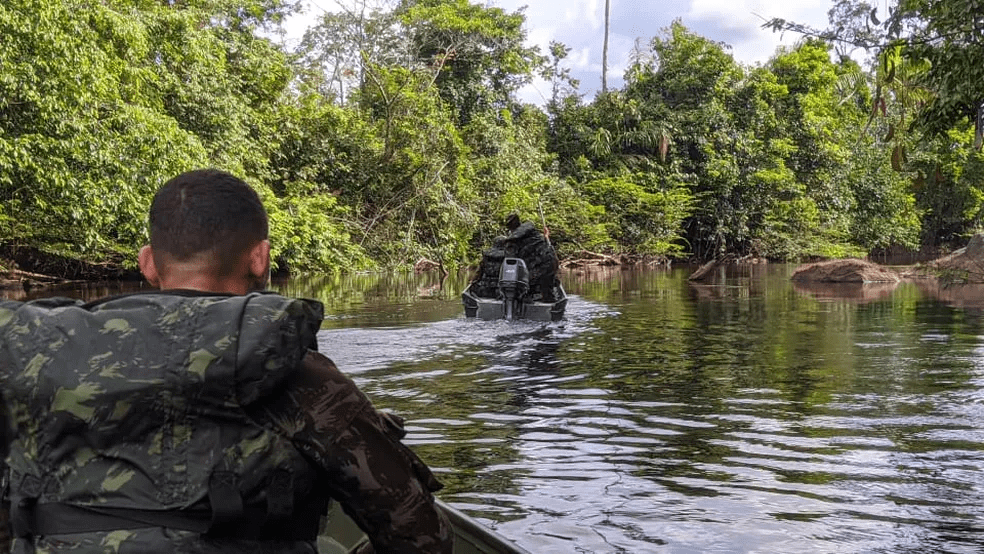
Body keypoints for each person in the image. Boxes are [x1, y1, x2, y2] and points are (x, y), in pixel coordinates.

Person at [0, 169, 452, 554]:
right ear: (260, 258)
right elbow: (421, 537)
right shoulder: (295, 372)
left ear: (148, 263)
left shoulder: (34, 356)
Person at [502, 213, 559, 303]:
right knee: (546, 289)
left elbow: (512, 257)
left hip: (543, 264)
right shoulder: (530, 233)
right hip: (548, 261)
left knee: (526, 284)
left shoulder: (519, 235)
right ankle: (547, 302)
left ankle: (530, 303)